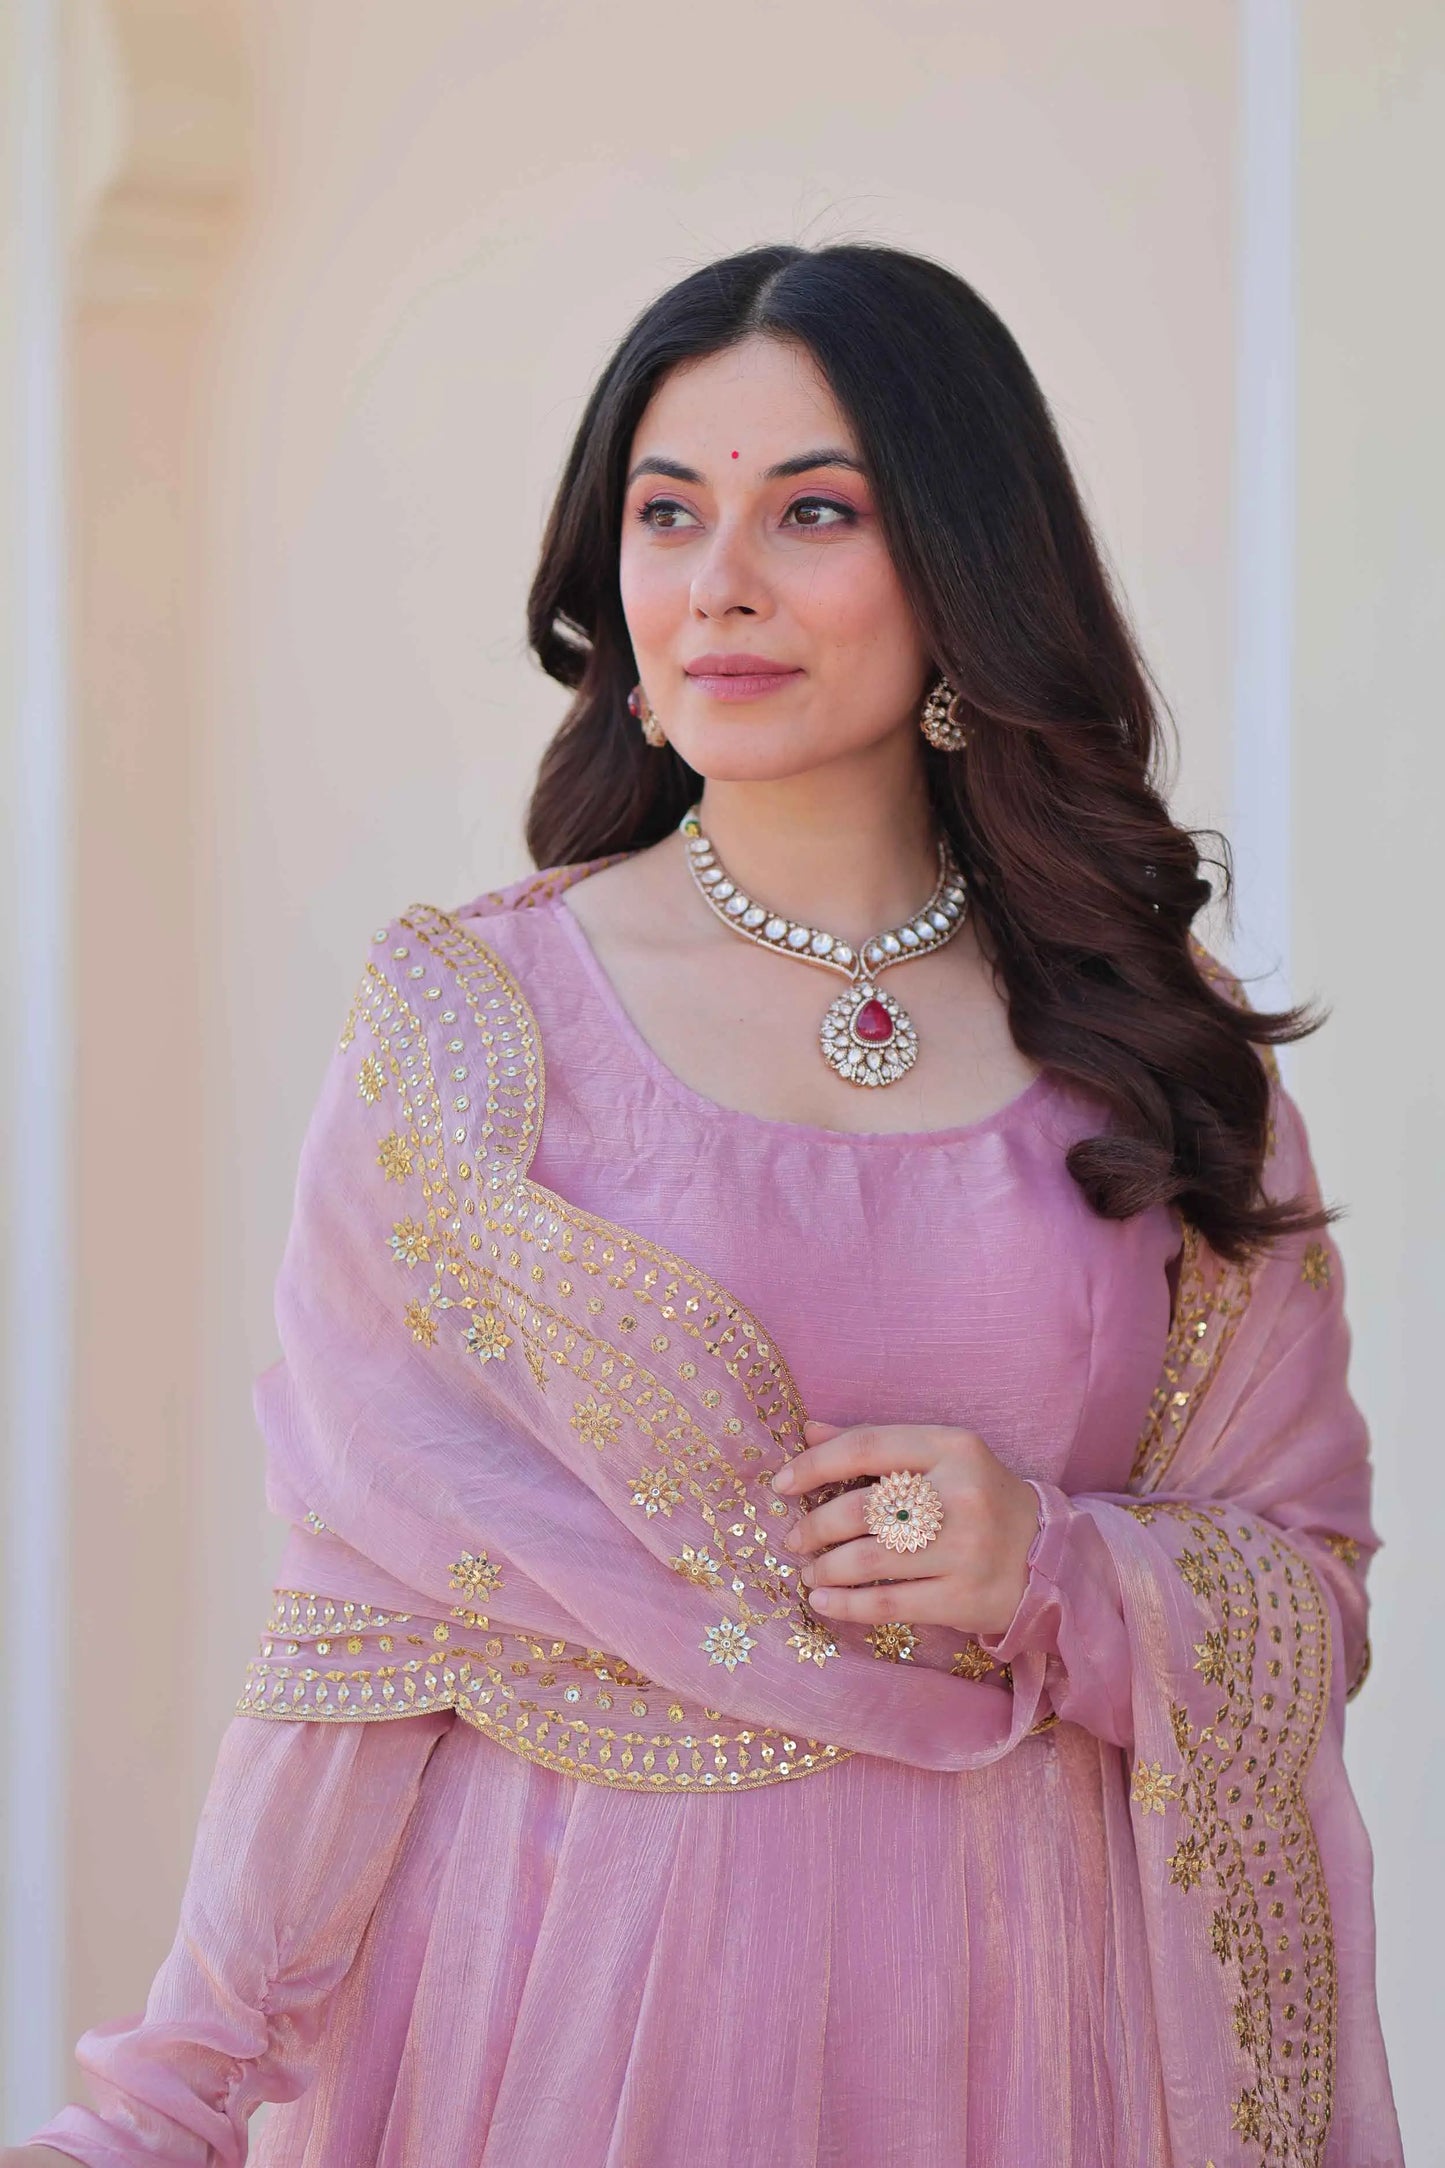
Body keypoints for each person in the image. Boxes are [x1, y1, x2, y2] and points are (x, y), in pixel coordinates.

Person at [11, 242, 1400, 2168]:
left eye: (812, 511)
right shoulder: (474, 1031)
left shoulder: (1151, 1055)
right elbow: (364, 1625)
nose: (717, 582)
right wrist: (166, 2105)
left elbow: (1303, 1593)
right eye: (667, 515)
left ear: (965, 563)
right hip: (583, 2009)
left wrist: (1051, 1567)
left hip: (1033, 2018)